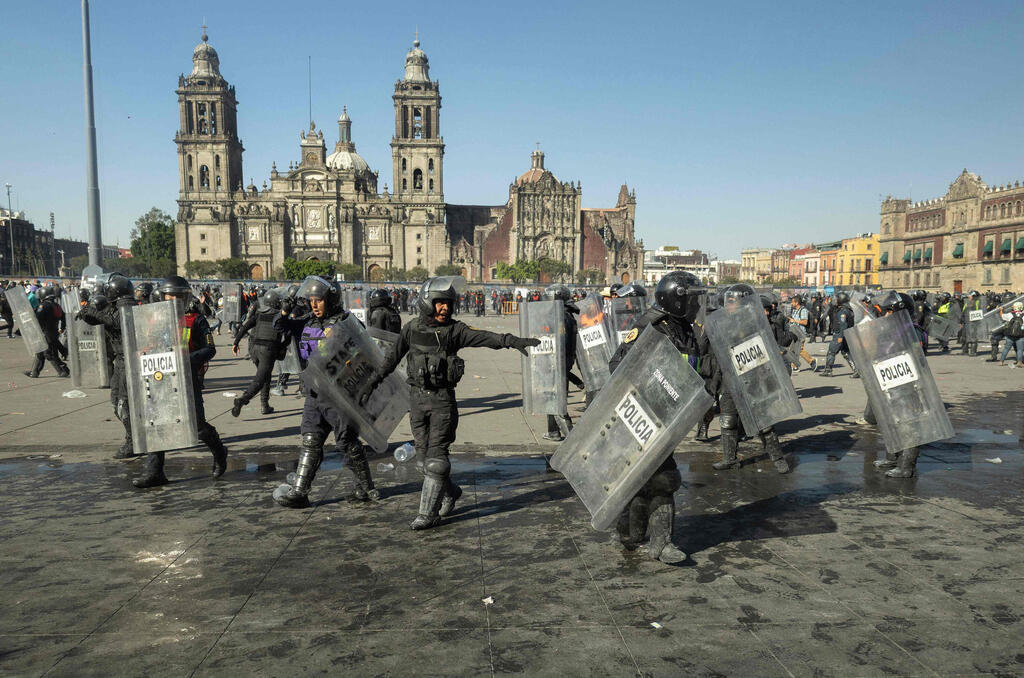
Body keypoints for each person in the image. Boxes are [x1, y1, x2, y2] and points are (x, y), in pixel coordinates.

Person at [356, 276, 540, 530]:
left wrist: (510, 341)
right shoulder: (412, 329)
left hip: (442, 402)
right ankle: (451, 492)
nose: (445, 308)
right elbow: (390, 360)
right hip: (417, 402)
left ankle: (428, 514)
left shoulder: (455, 331)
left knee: (436, 460)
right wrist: (369, 385)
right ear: (427, 302)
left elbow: (484, 337)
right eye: (439, 302)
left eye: (448, 303)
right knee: (423, 463)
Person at [608, 271, 712, 564]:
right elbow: (617, 366)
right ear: (676, 300)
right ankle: (648, 539)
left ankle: (643, 538)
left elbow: (694, 370)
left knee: (654, 479)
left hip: (669, 418)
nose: (696, 305)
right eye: (692, 299)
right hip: (642, 417)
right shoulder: (652, 327)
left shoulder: (685, 329)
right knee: (657, 479)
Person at [272, 276, 379, 508]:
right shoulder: (307, 322)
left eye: (318, 300)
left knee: (347, 442)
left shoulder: (346, 322)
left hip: (338, 395)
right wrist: (285, 310)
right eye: (311, 300)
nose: (314, 305)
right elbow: (279, 326)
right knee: (311, 439)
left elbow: (366, 353)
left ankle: (366, 487)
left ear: (330, 300)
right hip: (314, 392)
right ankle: (300, 492)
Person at [132, 276, 229, 488]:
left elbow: (210, 349)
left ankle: (220, 451)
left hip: (187, 379)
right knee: (157, 423)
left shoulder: (196, 320)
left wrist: (186, 359)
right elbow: (147, 343)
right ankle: (154, 471)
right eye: (170, 297)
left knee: (197, 426)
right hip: (159, 378)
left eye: (179, 297)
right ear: (163, 297)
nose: (174, 301)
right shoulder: (154, 319)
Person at [712, 288, 791, 475]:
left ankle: (778, 458)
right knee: (728, 420)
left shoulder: (757, 322)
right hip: (730, 378)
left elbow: (771, 348)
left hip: (754, 377)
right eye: (728, 302)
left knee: (763, 421)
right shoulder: (721, 324)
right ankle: (730, 458)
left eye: (733, 302)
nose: (729, 306)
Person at [231, 288, 287, 417]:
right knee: (260, 379)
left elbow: (245, 327)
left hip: (254, 349)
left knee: (265, 376)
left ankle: (264, 405)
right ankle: (242, 400)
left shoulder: (259, 314)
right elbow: (288, 335)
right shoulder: (279, 317)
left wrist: (236, 342)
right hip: (267, 351)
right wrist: (281, 347)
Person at [542, 284, 578, 442]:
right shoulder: (563, 314)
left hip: (558, 362)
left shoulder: (562, 316)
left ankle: (572, 438)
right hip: (559, 362)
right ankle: (553, 431)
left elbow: (561, 342)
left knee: (556, 401)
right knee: (551, 398)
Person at [23, 285, 70, 379]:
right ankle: (34, 372)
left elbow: (37, 318)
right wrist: (61, 329)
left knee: (49, 354)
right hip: (53, 332)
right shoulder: (57, 305)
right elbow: (64, 318)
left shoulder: (44, 305)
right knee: (40, 352)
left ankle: (62, 370)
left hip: (44, 332)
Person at [821, 291, 855, 377]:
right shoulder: (848, 309)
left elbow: (843, 325)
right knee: (846, 352)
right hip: (846, 335)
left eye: (837, 299)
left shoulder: (842, 312)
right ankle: (856, 370)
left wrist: (840, 337)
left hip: (840, 334)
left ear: (841, 300)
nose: (835, 301)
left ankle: (828, 370)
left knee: (831, 351)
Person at [787, 295, 817, 371]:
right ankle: (794, 366)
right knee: (793, 349)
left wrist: (794, 321)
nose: (791, 303)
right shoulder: (794, 310)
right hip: (794, 332)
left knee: (799, 349)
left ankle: (812, 361)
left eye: (792, 302)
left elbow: (805, 322)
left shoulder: (803, 310)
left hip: (800, 333)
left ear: (796, 302)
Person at [998, 301, 1024, 367]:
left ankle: (1001, 361)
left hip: (1010, 335)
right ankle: (1019, 362)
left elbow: (1002, 316)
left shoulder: (1010, 314)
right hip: (1020, 335)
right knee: (1020, 349)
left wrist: (1001, 310)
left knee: (1006, 349)